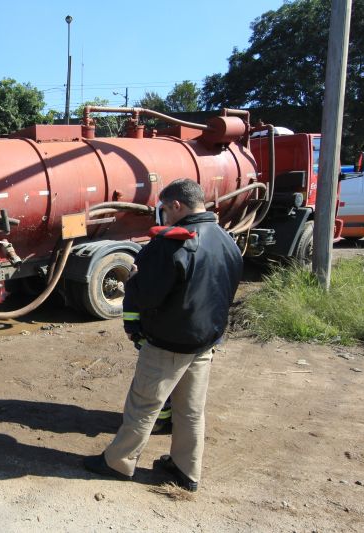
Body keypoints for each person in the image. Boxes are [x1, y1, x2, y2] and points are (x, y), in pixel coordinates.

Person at [83, 178, 243, 492]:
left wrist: (134, 281)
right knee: (190, 410)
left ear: (177, 206)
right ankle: (186, 471)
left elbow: (147, 297)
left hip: (169, 343)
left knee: (143, 406)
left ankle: (118, 462)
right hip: (204, 343)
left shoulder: (172, 243)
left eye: (166, 210)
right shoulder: (226, 239)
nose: (165, 217)